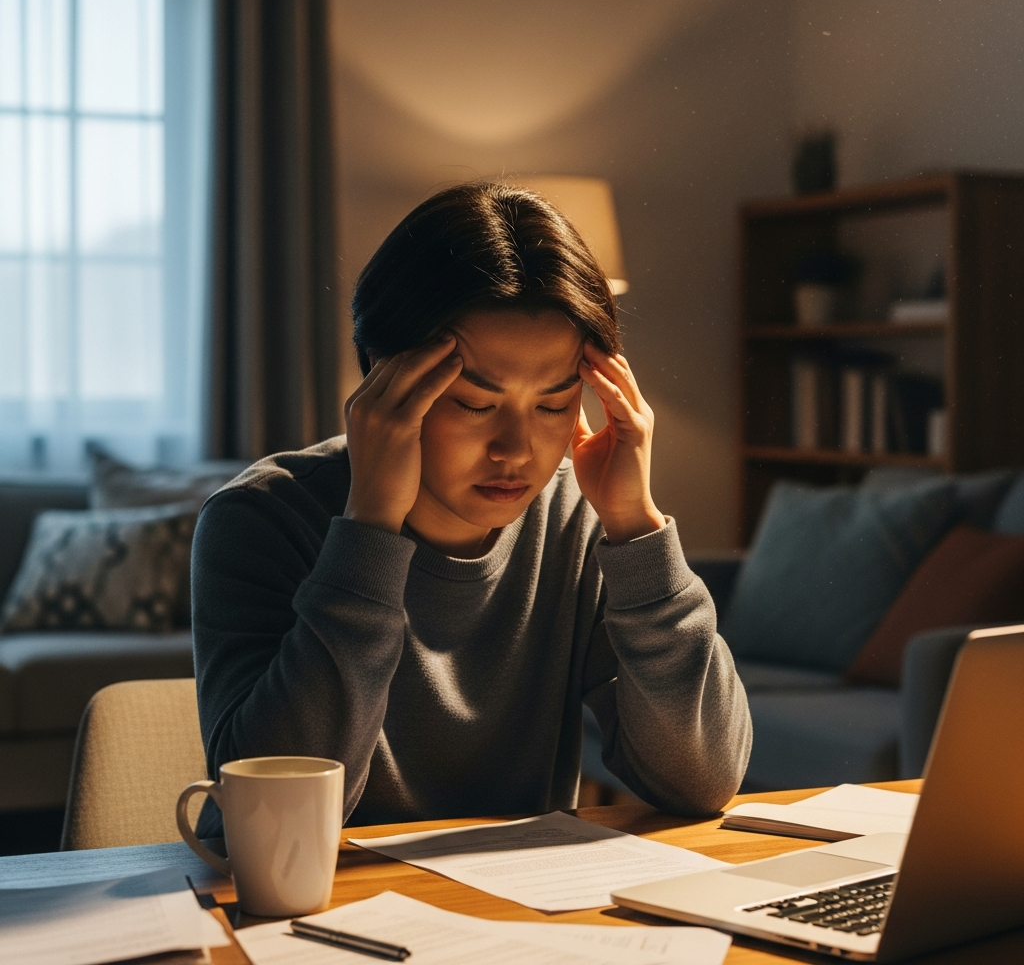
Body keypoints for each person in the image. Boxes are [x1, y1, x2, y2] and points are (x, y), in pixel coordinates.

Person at [192, 181, 750, 834]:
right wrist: (369, 528)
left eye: (552, 404)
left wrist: (635, 526)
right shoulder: (259, 519)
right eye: (476, 404)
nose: (517, 450)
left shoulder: (581, 517)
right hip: (307, 917)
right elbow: (272, 826)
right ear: (382, 379)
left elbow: (703, 780)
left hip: (511, 919)